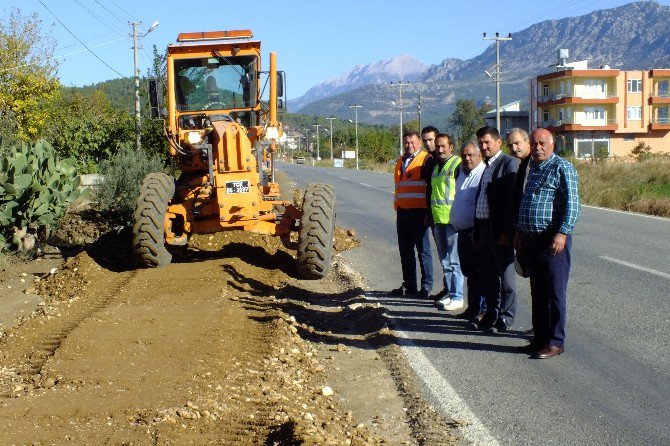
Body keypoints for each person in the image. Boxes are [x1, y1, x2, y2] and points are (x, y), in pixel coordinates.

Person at [515, 128, 580, 359]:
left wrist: (562, 233)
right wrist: (520, 233)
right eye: (534, 144)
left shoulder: (562, 167)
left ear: (552, 144)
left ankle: (555, 341)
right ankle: (539, 339)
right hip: (532, 241)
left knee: (555, 293)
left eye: (542, 143)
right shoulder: (532, 169)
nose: (537, 148)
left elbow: (573, 206)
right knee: (538, 293)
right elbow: (527, 203)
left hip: (553, 242)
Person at [473, 126, 519, 333]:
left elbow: (511, 202)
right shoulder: (486, 166)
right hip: (483, 229)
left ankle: (506, 318)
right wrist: (476, 231)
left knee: (506, 279)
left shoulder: (509, 164)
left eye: (487, 142)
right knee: (488, 277)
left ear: (498, 142)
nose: (483, 146)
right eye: (480, 143)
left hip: (499, 232)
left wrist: (505, 232)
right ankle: (491, 313)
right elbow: (480, 200)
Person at [391, 131, 433, 299]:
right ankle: (410, 285)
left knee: (423, 250)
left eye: (413, 142)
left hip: (419, 211)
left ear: (419, 143)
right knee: (405, 250)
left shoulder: (426, 159)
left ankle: (426, 286)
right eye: (406, 142)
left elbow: (430, 186)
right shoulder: (401, 160)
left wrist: (428, 212)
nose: (409, 145)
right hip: (402, 211)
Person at [449, 141, 486, 320]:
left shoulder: (483, 174)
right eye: (464, 155)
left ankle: (483, 309)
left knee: (481, 272)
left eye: (471, 155)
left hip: (476, 232)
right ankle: (473, 308)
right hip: (462, 231)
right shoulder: (462, 173)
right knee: (470, 272)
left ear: (479, 155)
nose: (467, 158)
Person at [428, 133, 463, 310]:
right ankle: (450, 293)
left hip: (452, 220)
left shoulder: (457, 165)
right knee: (445, 261)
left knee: (454, 260)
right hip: (438, 220)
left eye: (443, 146)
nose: (440, 149)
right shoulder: (436, 168)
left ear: (451, 146)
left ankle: (458, 296)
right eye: (438, 146)